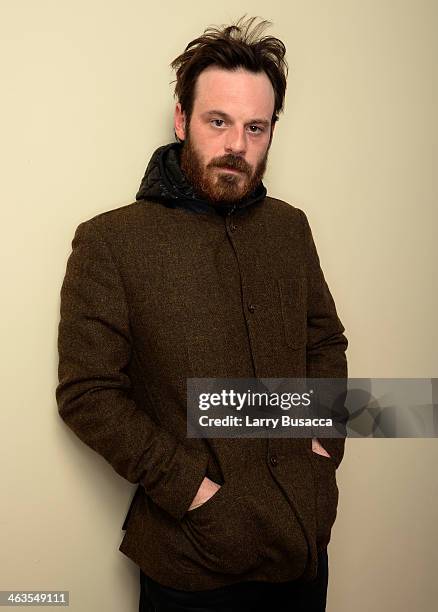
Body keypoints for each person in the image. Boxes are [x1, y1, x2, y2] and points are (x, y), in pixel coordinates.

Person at [56, 15, 348, 612]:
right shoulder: (111, 241)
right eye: (218, 121)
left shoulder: (290, 229)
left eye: (256, 127)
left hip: (302, 551)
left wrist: (322, 448)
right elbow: (87, 393)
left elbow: (325, 342)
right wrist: (192, 491)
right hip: (190, 564)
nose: (237, 144)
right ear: (182, 120)